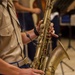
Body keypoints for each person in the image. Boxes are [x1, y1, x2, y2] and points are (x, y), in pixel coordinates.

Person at [0, 0, 57, 75]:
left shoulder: (9, 3)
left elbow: (14, 39)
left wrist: (37, 31)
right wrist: (20, 72)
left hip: (21, 65)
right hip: (9, 70)